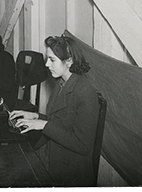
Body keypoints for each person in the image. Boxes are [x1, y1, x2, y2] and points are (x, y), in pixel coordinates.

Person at [9, 35, 100, 187]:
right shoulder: (61, 83)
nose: (46, 64)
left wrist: (43, 125)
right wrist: (35, 116)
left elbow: (82, 145)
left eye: (52, 60)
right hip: (52, 153)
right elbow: (61, 120)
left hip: (70, 167)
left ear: (69, 61)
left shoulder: (85, 92)